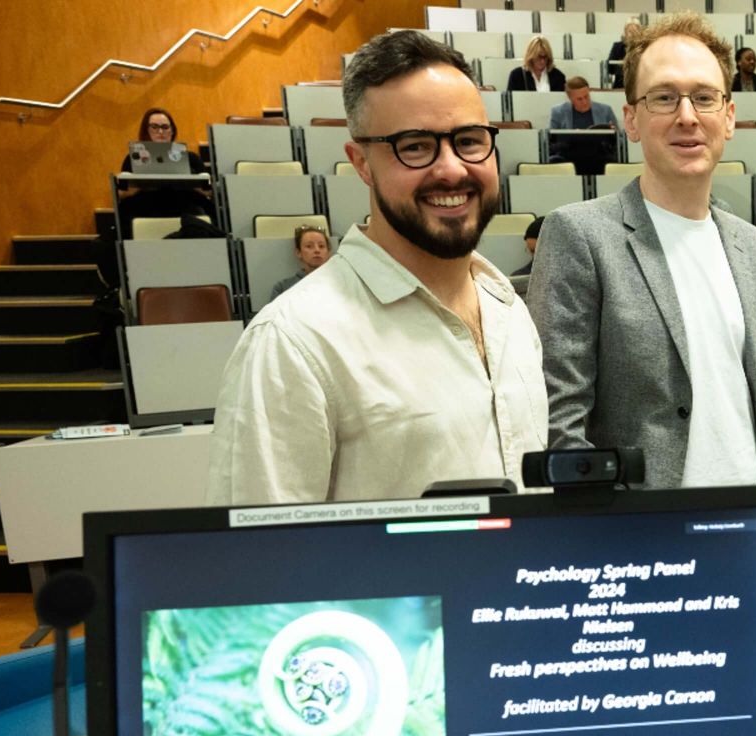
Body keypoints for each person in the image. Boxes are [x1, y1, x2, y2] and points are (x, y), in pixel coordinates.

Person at [209, 30, 548, 504]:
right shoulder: (293, 342)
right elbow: (255, 561)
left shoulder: (509, 308)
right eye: (414, 146)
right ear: (361, 163)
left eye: (469, 141)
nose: (451, 169)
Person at [527, 11, 756, 561]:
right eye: (664, 98)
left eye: (704, 98)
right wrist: (592, 545)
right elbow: (560, 415)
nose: (687, 116)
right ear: (630, 119)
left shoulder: (752, 245)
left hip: (748, 537)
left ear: (728, 117)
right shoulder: (580, 235)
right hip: (635, 542)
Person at [117, 107, 215, 238]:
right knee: (128, 213)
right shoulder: (133, 158)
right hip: (146, 203)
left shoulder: (191, 158)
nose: (160, 131)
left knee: (201, 214)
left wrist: (192, 184)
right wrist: (140, 186)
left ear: (172, 130)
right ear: (146, 131)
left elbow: (208, 192)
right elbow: (122, 193)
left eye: (165, 127)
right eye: (154, 127)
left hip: (184, 203)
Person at [547, 77, 620, 175]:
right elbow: (550, 141)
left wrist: (612, 134)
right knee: (555, 161)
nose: (584, 101)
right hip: (568, 154)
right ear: (570, 98)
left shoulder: (605, 110)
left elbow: (620, 139)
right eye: (579, 99)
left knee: (611, 161)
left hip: (599, 154)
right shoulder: (558, 112)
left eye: (586, 96)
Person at [268, 226, 332, 302]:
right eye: (309, 246)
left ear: (328, 252)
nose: (317, 250)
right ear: (298, 253)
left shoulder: (341, 283)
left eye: (321, 246)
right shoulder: (282, 288)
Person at [608, 19, 640, 89]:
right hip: (620, 85)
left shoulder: (643, 47)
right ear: (625, 32)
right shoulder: (617, 46)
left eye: (635, 31)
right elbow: (610, 68)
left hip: (638, 85)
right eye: (630, 31)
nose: (633, 34)